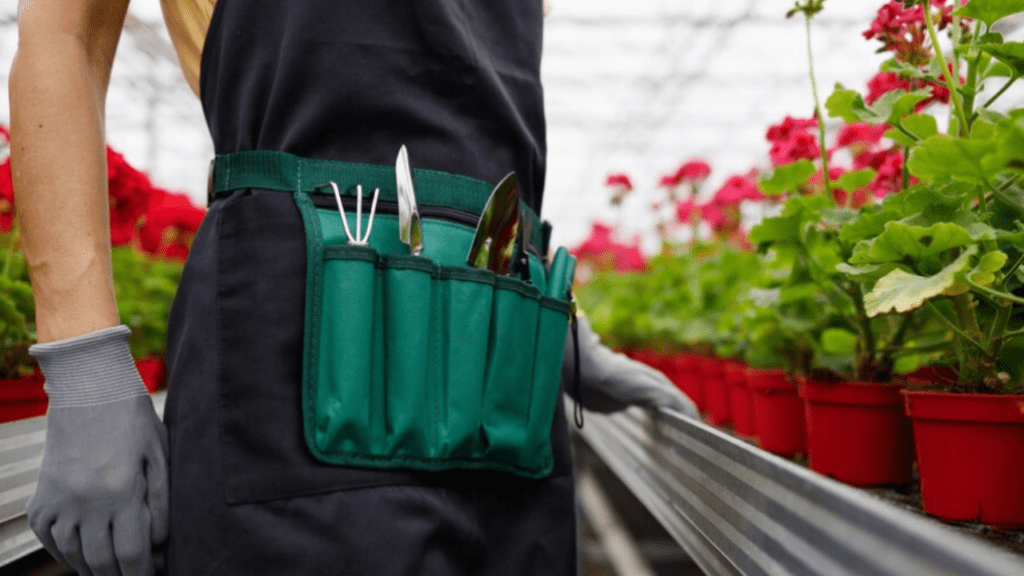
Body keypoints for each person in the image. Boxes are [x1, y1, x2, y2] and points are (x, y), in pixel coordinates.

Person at [10, 1, 699, 574]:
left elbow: (476, 134)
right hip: (297, 355)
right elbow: (63, 34)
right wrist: (84, 364)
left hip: (503, 373)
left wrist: (551, 316)